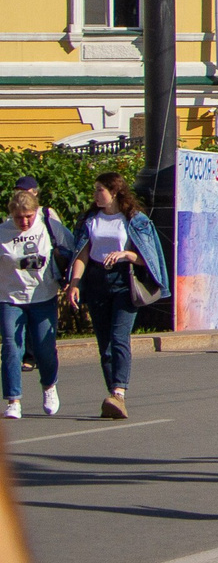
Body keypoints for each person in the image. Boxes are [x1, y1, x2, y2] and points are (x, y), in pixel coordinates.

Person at [72, 172, 165, 421]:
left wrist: (126, 254)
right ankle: (113, 394)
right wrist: (75, 283)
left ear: (114, 192)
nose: (95, 195)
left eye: (99, 190)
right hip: (96, 282)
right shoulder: (90, 220)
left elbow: (149, 258)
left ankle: (119, 392)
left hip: (124, 282)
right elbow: (82, 253)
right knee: (104, 343)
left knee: (118, 336)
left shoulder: (135, 220)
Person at [0, 185, 69, 421]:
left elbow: (72, 249)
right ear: (11, 214)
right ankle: (13, 400)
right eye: (19, 217)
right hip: (9, 298)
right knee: (11, 346)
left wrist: (71, 280)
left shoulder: (48, 226)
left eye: (28, 216)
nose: (24, 222)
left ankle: (49, 386)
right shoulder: (3, 232)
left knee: (44, 348)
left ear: (35, 211)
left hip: (43, 296)